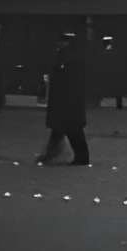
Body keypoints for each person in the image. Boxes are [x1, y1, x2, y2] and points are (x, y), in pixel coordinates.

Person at [39, 33, 91, 166]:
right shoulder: (73, 56)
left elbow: (64, 77)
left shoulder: (66, 57)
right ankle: (53, 155)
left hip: (66, 100)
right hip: (69, 100)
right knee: (65, 129)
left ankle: (76, 157)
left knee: (69, 129)